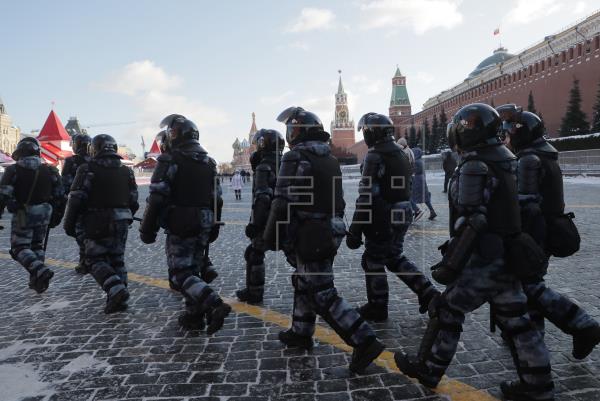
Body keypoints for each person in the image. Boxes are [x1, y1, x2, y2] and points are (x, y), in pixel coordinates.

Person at [395, 104, 555, 401]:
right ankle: (539, 384)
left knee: (447, 310)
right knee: (519, 322)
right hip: (507, 252)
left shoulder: (474, 165)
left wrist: (453, 263)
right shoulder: (505, 159)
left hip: (484, 258)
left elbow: (472, 220)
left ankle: (430, 368)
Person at [263, 106, 384, 373]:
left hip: (310, 231)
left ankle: (364, 340)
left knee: (320, 291)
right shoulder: (328, 157)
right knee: (305, 282)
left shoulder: (295, 157)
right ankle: (301, 330)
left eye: (293, 129)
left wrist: (269, 237)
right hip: (330, 228)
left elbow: (281, 201)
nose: (290, 134)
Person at [497, 104, 600, 361]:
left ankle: (582, 325)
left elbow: (526, 202)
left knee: (530, 285)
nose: (507, 138)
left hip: (534, 230)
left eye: (510, 132)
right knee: (528, 284)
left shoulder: (529, 159)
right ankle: (531, 338)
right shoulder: (543, 154)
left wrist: (511, 230)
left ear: (521, 133)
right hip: (545, 227)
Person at [139, 114, 231, 334]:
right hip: (204, 222)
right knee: (194, 270)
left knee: (180, 274)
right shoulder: (209, 162)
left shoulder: (170, 159)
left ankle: (213, 303)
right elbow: (217, 197)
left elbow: (157, 196)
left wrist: (147, 227)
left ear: (174, 135)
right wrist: (214, 226)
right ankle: (194, 316)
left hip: (181, 221)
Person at [346, 112, 440, 322]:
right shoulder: (399, 152)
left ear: (372, 132)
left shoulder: (375, 155)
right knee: (394, 257)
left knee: (373, 260)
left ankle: (377, 307)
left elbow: (366, 195)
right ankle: (428, 293)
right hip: (403, 212)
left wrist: (355, 229)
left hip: (383, 215)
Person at [64, 134, 138, 313]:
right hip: (122, 220)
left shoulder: (87, 168)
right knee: (117, 260)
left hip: (96, 220)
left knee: (93, 260)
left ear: (95, 149)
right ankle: (119, 299)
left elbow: (76, 198)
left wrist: (69, 223)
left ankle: (115, 289)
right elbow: (134, 200)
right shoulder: (126, 171)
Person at [0, 137, 64, 293]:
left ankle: (39, 271)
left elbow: (3, 195)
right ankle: (37, 281)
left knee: (19, 247)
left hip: (23, 213)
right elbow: (61, 196)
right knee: (37, 246)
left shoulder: (13, 170)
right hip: (44, 213)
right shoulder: (50, 170)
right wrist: (57, 216)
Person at [236, 128, 284, 303]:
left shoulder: (264, 167)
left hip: (269, 221)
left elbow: (262, 198)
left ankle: (254, 292)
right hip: (291, 219)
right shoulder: (287, 163)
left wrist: (255, 225)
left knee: (254, 253)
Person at [61, 133, 92, 274]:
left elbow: (66, 185)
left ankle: (85, 261)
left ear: (76, 144)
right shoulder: (96, 160)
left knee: (79, 233)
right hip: (96, 203)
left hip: (77, 202)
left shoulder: (71, 161)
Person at [397, 137, 421, 220]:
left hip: (406, 176)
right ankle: (411, 213)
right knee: (406, 195)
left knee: (405, 196)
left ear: (402, 145)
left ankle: (417, 210)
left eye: (399, 145)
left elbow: (403, 165)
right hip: (410, 176)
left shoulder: (405, 152)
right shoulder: (410, 150)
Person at [411, 147, 437, 220]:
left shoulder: (416, 162)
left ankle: (414, 211)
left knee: (412, 198)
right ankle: (432, 211)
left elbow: (412, 171)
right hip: (422, 181)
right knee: (425, 198)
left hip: (417, 181)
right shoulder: (420, 161)